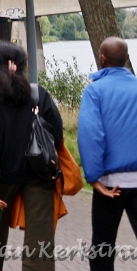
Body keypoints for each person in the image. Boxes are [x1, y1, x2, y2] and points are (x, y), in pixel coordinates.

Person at [0, 42, 63, 271]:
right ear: (19, 66)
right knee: (40, 244)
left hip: (3, 177)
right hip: (39, 175)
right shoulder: (38, 95)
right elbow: (57, 133)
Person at [78, 37, 137, 271]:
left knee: (102, 249)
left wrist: (94, 177)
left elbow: (91, 135)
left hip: (110, 184)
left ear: (102, 58)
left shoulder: (95, 91)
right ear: (127, 58)